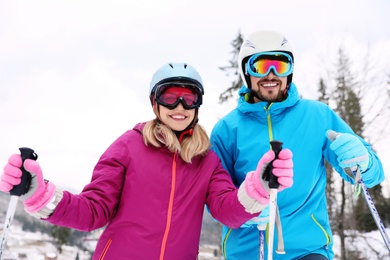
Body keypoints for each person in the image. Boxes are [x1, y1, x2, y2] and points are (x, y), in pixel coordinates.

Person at [0, 62, 294, 259]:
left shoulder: (207, 161)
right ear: (155, 103)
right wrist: (40, 196)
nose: (180, 106)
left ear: (198, 105)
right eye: (170, 97)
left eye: (189, 98)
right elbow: (93, 211)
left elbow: (227, 211)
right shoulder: (129, 146)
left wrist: (258, 187)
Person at [209, 30, 385, 260]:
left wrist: (363, 161)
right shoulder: (227, 130)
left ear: (290, 71)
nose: (271, 74)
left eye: (280, 65)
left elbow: (373, 175)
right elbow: (217, 204)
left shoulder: (317, 116)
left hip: (308, 250)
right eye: (261, 66)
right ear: (246, 72)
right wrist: (245, 207)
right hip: (248, 251)